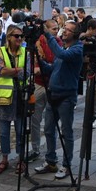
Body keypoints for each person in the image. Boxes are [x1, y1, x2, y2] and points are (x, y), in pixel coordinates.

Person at [34, 19, 83, 179]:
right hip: (53, 94)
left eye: (68, 30)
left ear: (75, 34)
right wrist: (38, 60)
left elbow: (61, 55)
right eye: (65, 28)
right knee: (48, 130)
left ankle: (67, 165)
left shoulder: (76, 50)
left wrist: (48, 35)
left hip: (66, 96)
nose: (64, 31)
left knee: (66, 132)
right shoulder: (64, 48)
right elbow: (52, 68)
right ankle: (51, 161)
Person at [0, 24, 30, 174]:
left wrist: (11, 71)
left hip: (21, 97)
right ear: (9, 37)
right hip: (4, 97)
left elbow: (26, 73)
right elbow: (1, 71)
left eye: (21, 36)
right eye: (16, 36)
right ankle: (4, 159)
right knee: (4, 132)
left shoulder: (25, 52)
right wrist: (17, 71)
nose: (19, 38)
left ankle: (21, 159)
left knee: (21, 130)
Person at [30, 18, 59, 163]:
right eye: (54, 29)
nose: (57, 31)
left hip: (53, 84)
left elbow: (58, 63)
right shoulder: (38, 42)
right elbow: (33, 66)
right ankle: (35, 149)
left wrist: (48, 67)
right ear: (46, 29)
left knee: (51, 121)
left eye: (57, 28)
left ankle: (50, 152)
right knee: (35, 119)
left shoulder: (59, 42)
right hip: (39, 85)